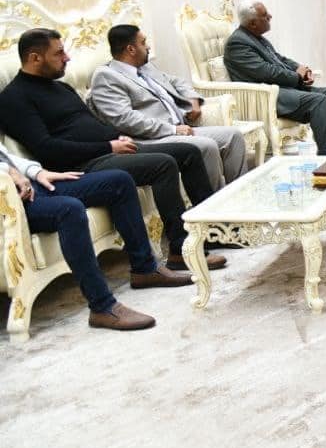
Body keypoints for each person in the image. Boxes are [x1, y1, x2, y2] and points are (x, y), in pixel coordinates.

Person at [0, 28, 226, 274]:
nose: (67, 58)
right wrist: (108, 146)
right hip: (80, 165)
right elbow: (48, 149)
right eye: (59, 53)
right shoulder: (14, 98)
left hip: (109, 150)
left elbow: (90, 124)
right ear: (35, 58)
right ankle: (180, 249)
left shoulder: (61, 87)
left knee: (189, 152)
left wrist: (116, 137)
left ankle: (213, 233)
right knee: (163, 164)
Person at [2, 140, 192, 331]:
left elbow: (4, 155)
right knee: (69, 210)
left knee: (119, 181)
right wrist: (10, 172)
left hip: (29, 185)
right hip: (10, 202)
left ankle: (145, 269)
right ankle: (102, 307)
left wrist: (36, 172)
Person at [88, 24, 249, 190]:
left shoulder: (144, 66)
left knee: (233, 136)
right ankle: (215, 202)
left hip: (182, 127)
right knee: (207, 146)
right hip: (151, 138)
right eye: (143, 42)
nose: (148, 47)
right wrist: (173, 129)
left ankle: (241, 194)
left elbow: (176, 81)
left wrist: (193, 100)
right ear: (131, 49)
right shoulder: (106, 76)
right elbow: (125, 119)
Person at [223, 0, 326, 157]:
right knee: (318, 101)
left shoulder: (256, 38)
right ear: (252, 23)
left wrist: (300, 68)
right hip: (267, 96)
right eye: (265, 15)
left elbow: (279, 59)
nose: (270, 16)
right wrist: (297, 76)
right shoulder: (237, 43)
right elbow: (266, 72)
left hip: (282, 89)